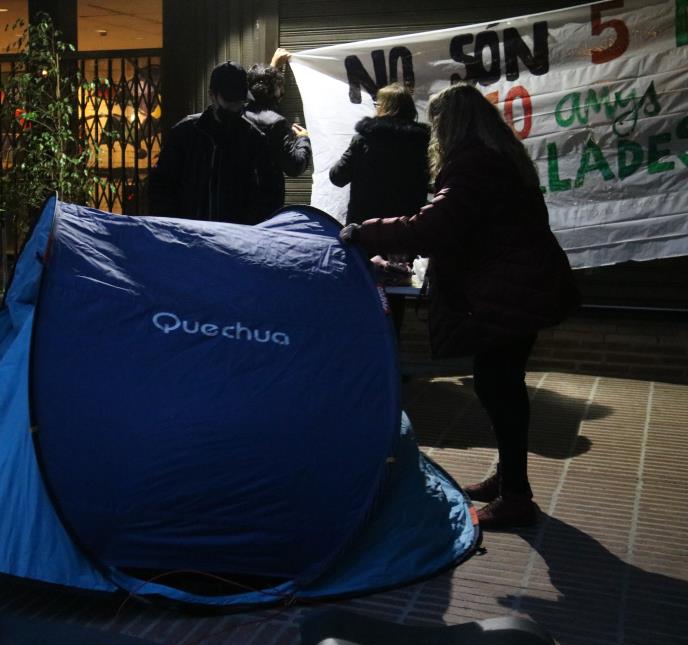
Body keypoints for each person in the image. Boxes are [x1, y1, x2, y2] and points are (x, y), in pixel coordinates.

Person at [339, 83, 580, 530]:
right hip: (521, 287)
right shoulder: (500, 158)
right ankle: (509, 478)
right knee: (502, 385)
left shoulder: (472, 164)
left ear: (450, 124)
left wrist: (366, 230)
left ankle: (516, 495)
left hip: (508, 292)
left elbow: (437, 224)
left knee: (498, 387)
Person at [330, 83, 431, 335]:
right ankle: (393, 356)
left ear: (384, 107)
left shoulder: (364, 139)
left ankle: (369, 355)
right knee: (396, 290)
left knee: (364, 287)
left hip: (364, 229)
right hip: (404, 229)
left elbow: (337, 176)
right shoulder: (423, 143)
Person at [149, 61, 268, 224]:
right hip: (189, 234)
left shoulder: (253, 138)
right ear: (212, 95)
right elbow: (162, 186)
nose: (235, 107)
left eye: (239, 101)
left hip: (235, 238)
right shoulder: (184, 133)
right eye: (229, 100)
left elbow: (263, 194)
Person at [244, 49, 312, 218]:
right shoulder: (276, 123)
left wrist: (272, 68)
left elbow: (261, 99)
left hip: (237, 202)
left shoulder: (237, 115)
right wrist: (303, 140)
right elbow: (294, 166)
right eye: (280, 87)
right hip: (265, 205)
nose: (283, 92)